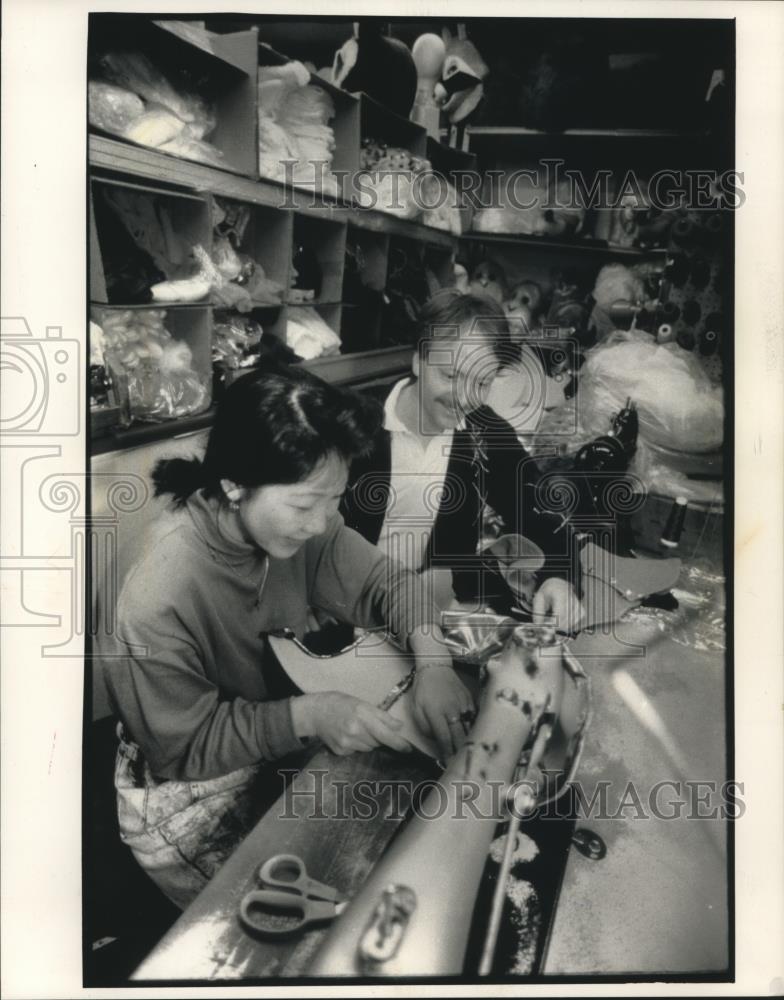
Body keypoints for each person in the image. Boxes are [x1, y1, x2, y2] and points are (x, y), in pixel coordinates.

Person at [103, 364, 473, 909]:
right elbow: (185, 747)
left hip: (262, 725)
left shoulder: (299, 527)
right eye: (306, 504)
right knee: (294, 930)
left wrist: (436, 662)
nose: (323, 523)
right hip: (181, 791)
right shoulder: (158, 596)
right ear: (234, 484)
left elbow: (386, 583)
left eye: (335, 499)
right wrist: (311, 714)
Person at [341, 288, 583, 629]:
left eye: (481, 382)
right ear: (417, 360)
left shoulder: (484, 432)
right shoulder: (353, 424)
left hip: (431, 614)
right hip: (345, 612)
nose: (464, 398)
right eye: (451, 376)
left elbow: (538, 507)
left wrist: (559, 577)